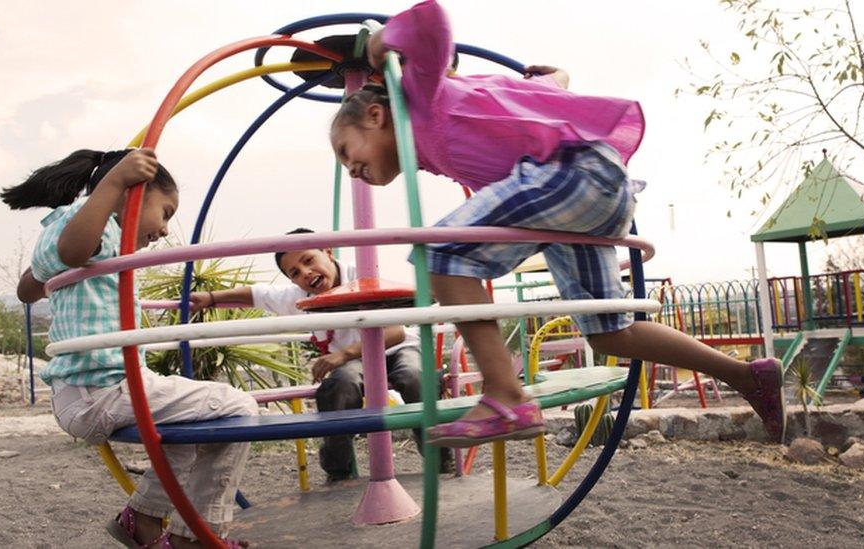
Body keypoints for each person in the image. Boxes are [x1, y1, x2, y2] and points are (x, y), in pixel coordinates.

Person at [328, 0, 785, 447]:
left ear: (375, 115)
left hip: (576, 177)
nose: (351, 170)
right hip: (587, 193)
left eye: (348, 152)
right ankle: (747, 375)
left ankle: (505, 396)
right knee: (611, 332)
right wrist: (558, 81)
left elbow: (431, 20)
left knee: (441, 254)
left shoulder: (421, 96)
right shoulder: (439, 132)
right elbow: (529, 102)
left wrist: (384, 43)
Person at [1, 148, 255, 548]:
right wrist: (116, 180)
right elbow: (73, 251)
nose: (166, 230)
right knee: (240, 407)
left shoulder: (66, 231)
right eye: (166, 212)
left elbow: (27, 288)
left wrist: (50, 270)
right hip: (103, 391)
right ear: (131, 193)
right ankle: (200, 537)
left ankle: (143, 519)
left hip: (84, 392)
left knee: (188, 425)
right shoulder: (91, 229)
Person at [188, 228, 454, 478]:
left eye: (309, 260)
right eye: (295, 272)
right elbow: (257, 294)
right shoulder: (300, 296)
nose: (305, 272)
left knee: (414, 374)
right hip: (355, 361)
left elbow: (394, 332)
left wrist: (342, 354)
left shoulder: (363, 274)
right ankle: (339, 467)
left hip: (397, 347)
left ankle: (439, 455)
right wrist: (211, 297)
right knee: (340, 384)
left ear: (327, 251)